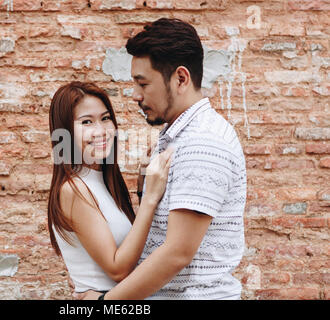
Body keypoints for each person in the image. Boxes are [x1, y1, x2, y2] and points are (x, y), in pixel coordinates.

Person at [83, 18, 247, 300]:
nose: (135, 95)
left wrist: (104, 304)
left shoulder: (203, 143)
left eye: (143, 84)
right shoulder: (178, 135)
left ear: (180, 79)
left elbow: (177, 253)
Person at [47, 81, 174, 295]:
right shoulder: (74, 189)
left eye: (105, 119)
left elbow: (134, 251)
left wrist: (142, 190)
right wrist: (151, 198)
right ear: (65, 132)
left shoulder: (102, 182)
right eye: (86, 122)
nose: (101, 131)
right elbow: (118, 270)